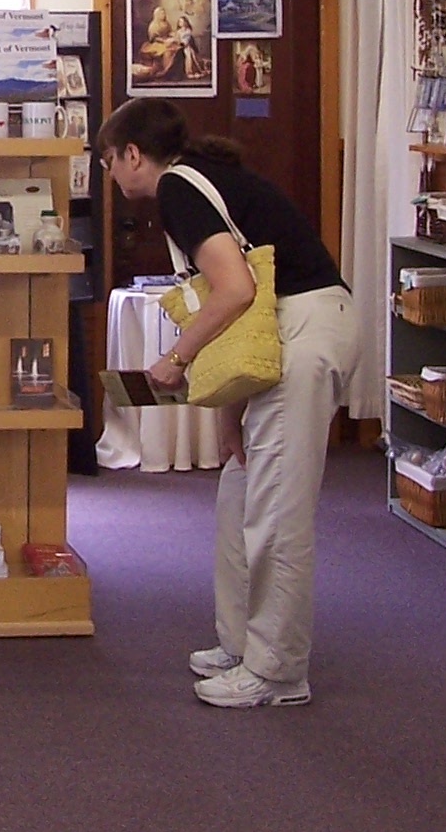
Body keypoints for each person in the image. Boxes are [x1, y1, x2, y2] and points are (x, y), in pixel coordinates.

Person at [95, 98, 355, 709]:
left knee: (275, 511)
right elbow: (244, 314)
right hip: (285, 334)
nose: (111, 175)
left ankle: (278, 671)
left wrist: (176, 358)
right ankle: (240, 643)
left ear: (133, 154)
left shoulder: (180, 190)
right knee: (239, 495)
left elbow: (234, 291)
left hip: (306, 333)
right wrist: (230, 415)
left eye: (110, 161)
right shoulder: (204, 181)